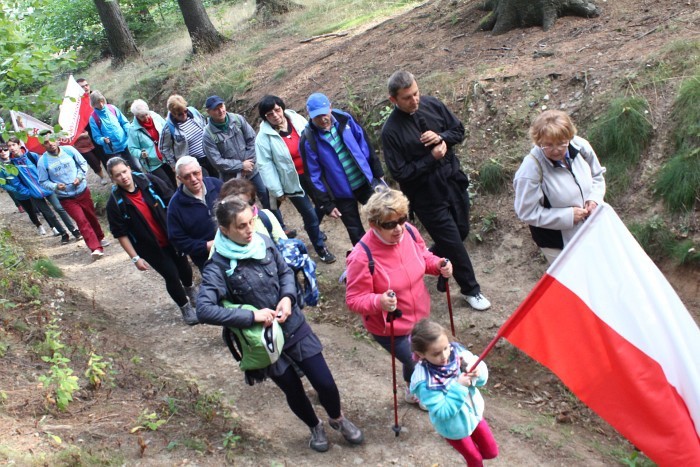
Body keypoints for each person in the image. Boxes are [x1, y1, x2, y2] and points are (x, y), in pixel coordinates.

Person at [196, 195, 364, 452]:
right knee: (293, 390)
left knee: (325, 382)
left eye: (250, 222)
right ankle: (314, 425)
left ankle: (337, 418)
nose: (249, 230)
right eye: (241, 226)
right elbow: (204, 310)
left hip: (294, 325)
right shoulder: (217, 266)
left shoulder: (262, 241)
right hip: (264, 341)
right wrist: (252, 317)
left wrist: (288, 297)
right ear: (224, 230)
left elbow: (285, 271)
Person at [381, 71, 491, 311]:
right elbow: (400, 173)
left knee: (461, 231)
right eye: (407, 97)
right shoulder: (390, 132)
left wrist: (441, 137)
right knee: (453, 243)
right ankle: (471, 289)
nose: (415, 100)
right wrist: (431, 157)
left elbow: (458, 131)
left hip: (452, 181)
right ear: (394, 100)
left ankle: (430, 260)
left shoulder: (431, 104)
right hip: (425, 196)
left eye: (416, 93)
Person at [345, 186, 452, 407]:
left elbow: (423, 256)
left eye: (402, 219)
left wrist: (439, 265)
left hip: (420, 317)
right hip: (389, 328)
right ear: (374, 225)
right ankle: (421, 391)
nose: (398, 228)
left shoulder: (410, 232)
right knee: (420, 359)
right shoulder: (361, 256)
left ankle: (410, 388)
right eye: (390, 224)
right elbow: (354, 299)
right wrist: (379, 301)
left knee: (414, 358)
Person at [106, 157, 198, 325]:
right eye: (118, 175)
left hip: (171, 236)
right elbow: (121, 234)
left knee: (184, 267)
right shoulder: (115, 203)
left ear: (129, 168)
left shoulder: (149, 182)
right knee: (171, 275)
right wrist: (135, 258)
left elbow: (172, 200)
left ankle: (191, 291)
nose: (123, 177)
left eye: (125, 172)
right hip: (149, 248)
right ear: (112, 178)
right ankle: (185, 307)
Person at [513, 110, 606, 264]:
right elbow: (526, 212)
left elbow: (597, 176)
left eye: (562, 143)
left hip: (590, 230)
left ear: (569, 137)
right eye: (548, 145)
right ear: (538, 142)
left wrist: (594, 199)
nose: (556, 150)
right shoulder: (530, 170)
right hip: (558, 244)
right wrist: (567, 217)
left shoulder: (581, 147)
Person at [255, 95, 335, 263]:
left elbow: (314, 139)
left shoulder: (297, 120)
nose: (275, 115)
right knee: (310, 216)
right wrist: (277, 190)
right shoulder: (263, 138)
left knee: (322, 204)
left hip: (313, 174)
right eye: (269, 114)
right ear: (265, 117)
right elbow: (265, 166)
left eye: (277, 110)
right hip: (291, 181)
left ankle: (312, 228)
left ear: (282, 108)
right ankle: (320, 248)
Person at [410, 319, 498, 466]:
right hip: (453, 428)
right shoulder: (424, 382)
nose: (444, 356)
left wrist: (478, 372)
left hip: (474, 415)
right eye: (436, 353)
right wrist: (459, 387)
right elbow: (442, 412)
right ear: (421, 354)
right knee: (475, 460)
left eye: (446, 348)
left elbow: (482, 379)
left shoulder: (459, 353)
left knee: (491, 452)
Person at [301, 92, 384, 246]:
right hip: (341, 194)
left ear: (330, 108)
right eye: (317, 117)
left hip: (365, 182)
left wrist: (377, 172)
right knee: (356, 233)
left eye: (324, 114)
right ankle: (367, 264)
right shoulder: (308, 139)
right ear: (310, 116)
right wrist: (326, 204)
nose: (322, 119)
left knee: (382, 218)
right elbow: (313, 176)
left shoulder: (345, 119)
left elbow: (364, 144)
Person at [201, 95, 291, 235]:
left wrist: (249, 163)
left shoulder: (237, 120)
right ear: (209, 112)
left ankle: (280, 227)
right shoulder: (208, 135)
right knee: (241, 204)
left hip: (253, 170)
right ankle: (253, 232)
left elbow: (252, 140)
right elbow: (216, 161)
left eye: (221, 106)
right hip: (232, 179)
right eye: (216, 109)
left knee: (267, 197)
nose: (220, 111)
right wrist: (240, 166)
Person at [37, 135, 110, 260]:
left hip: (82, 191)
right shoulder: (42, 162)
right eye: (46, 142)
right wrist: (55, 186)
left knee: (91, 216)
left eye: (52, 140)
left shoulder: (69, 150)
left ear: (56, 139)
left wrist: (80, 177)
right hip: (66, 198)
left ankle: (100, 237)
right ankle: (95, 248)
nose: (50, 144)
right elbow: (43, 181)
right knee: (81, 221)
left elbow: (82, 163)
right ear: (43, 145)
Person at [5, 137, 81, 244]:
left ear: (19, 144)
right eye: (9, 146)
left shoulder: (32, 156)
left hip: (48, 188)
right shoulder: (11, 165)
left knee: (59, 208)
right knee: (49, 214)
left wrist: (52, 183)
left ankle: (74, 230)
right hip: (34, 194)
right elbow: (16, 183)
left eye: (13, 145)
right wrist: (28, 192)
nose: (11, 148)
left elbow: (47, 169)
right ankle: (63, 233)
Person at [167, 156, 222, 272]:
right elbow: (177, 240)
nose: (193, 179)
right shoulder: (175, 206)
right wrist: (205, 246)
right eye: (187, 176)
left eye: (195, 173)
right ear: (179, 178)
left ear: (201, 170)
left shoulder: (217, 185)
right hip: (208, 261)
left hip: (234, 247)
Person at [160, 94, 218, 178]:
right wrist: (173, 165)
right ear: (173, 114)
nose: (184, 115)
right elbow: (163, 148)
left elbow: (206, 126)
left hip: (210, 155)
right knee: (206, 184)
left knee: (218, 180)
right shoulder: (168, 128)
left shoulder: (194, 112)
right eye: (180, 114)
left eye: (185, 111)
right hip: (194, 163)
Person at [127, 99, 176, 189]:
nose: (146, 118)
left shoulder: (155, 116)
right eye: (142, 116)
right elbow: (132, 148)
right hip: (153, 163)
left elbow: (167, 129)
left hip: (167, 157)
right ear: (136, 116)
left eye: (146, 114)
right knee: (166, 185)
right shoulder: (133, 129)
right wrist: (141, 154)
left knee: (174, 180)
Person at [88, 91, 136, 169]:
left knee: (136, 167)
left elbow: (124, 122)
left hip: (126, 143)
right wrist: (103, 140)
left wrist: (128, 131)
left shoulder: (112, 108)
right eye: (97, 103)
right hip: (113, 150)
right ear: (93, 104)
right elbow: (96, 137)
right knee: (122, 170)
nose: (101, 104)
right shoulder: (93, 118)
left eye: (101, 101)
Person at [76, 78, 111, 175]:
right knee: (104, 157)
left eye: (86, 85)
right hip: (93, 133)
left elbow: (107, 108)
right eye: (82, 87)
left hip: (107, 128)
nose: (85, 87)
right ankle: (113, 178)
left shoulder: (95, 95)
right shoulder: (77, 103)